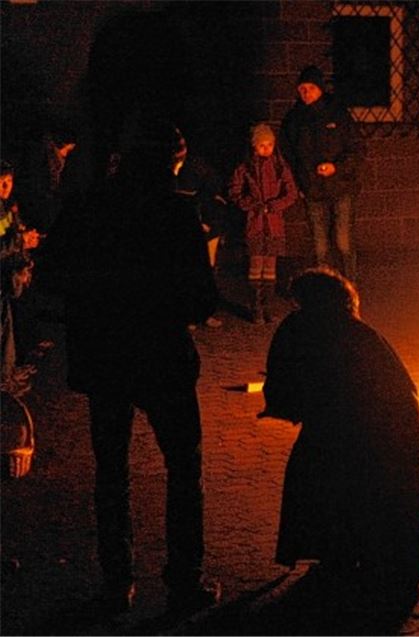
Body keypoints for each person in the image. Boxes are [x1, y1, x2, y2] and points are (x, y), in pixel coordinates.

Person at [40, 116, 220, 615]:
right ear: (167, 162)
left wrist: (95, 296)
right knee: (184, 469)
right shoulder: (177, 213)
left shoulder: (90, 206)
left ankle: (117, 583)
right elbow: (201, 300)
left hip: (106, 357)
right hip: (162, 356)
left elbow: (51, 274)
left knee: (111, 472)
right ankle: (184, 581)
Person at [260, 266, 419, 608]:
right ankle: (362, 557)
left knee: (330, 482)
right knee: (361, 489)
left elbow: (284, 385)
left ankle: (343, 558)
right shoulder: (360, 332)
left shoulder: (301, 327)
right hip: (381, 425)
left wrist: (287, 406)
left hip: (361, 425)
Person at [281, 65, 363, 282]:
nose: (306, 93)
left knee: (343, 242)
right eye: (302, 89)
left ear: (320, 89)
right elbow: (287, 155)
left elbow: (356, 149)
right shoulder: (294, 119)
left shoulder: (338, 114)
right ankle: (326, 291)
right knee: (320, 247)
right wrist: (298, 184)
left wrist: (337, 167)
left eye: (311, 88)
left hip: (341, 186)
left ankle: (350, 287)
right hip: (312, 189)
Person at [228, 123, 299, 324]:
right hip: (255, 224)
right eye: (262, 145)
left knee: (270, 269)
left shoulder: (279, 166)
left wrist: (275, 206)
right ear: (254, 146)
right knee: (255, 267)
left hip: (274, 225)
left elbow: (291, 192)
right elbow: (234, 192)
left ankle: (267, 307)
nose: (266, 148)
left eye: (269, 144)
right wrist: (254, 206)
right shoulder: (245, 167)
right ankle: (256, 308)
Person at [173, 138, 228, 328]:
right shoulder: (188, 171)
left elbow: (215, 199)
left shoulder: (208, 172)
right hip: (196, 225)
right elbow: (189, 198)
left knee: (208, 268)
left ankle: (204, 311)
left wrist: (211, 222)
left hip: (209, 223)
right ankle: (191, 313)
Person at [0, 160, 39, 392]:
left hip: (5, 278)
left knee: (6, 329)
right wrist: (20, 241)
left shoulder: (5, 207)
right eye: (1, 182)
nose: (6, 187)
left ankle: (7, 373)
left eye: (9, 182)